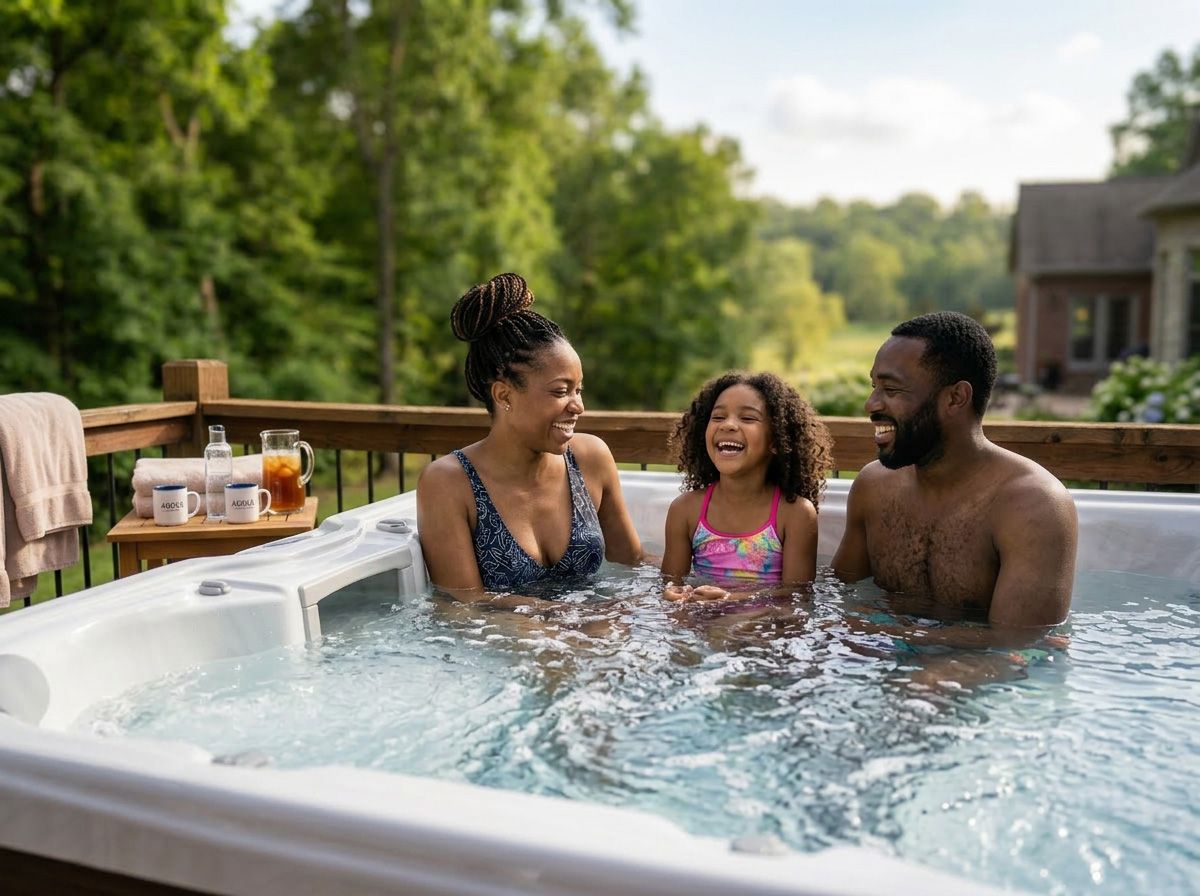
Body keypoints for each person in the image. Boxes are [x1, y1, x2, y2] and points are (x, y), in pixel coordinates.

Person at [832, 311, 1078, 641]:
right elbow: (838, 599)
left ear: (955, 398)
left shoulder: (1032, 505)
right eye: (874, 386)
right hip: (891, 655)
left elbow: (1019, 645)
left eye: (891, 389)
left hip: (984, 672)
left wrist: (888, 636)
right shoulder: (873, 487)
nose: (870, 404)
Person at [416, 273, 643, 611]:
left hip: (593, 629)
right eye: (561, 391)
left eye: (578, 390)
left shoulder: (591, 457)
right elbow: (463, 604)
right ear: (504, 395)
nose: (578, 406)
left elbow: (634, 565)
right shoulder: (448, 482)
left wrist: (704, 586)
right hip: (507, 642)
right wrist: (568, 619)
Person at [660, 372, 833, 602]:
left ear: (776, 441)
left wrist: (731, 598)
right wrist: (675, 595)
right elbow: (670, 584)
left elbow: (797, 597)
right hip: (702, 620)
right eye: (718, 417)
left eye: (748, 418)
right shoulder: (685, 509)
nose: (728, 425)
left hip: (764, 622)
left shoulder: (795, 513)